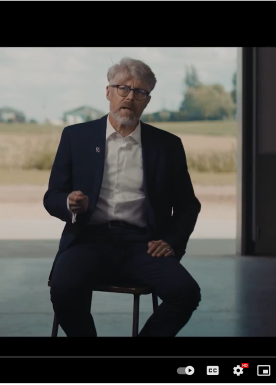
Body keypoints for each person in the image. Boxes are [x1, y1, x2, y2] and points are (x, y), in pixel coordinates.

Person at [43, 57, 202, 337]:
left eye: (139, 92)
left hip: (143, 244)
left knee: (186, 293)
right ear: (108, 92)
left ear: (147, 100)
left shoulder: (167, 145)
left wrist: (173, 243)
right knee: (63, 289)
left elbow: (188, 205)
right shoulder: (76, 137)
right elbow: (52, 195)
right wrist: (70, 203)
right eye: (122, 89)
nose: (130, 97)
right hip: (87, 240)